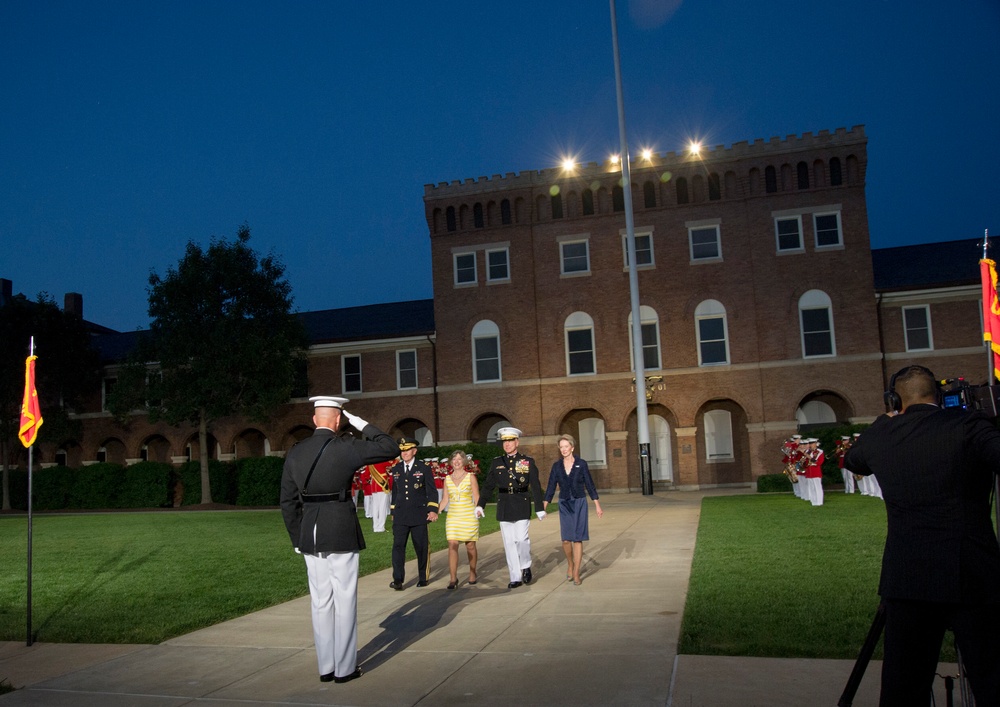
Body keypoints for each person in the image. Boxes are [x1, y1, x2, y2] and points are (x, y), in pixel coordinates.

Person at [844, 365, 1000, 706]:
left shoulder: (885, 433)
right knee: (991, 676)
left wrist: (887, 418)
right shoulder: (969, 425)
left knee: (904, 685)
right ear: (939, 396)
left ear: (895, 399)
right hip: (972, 572)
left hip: (908, 576)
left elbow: (854, 459)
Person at [279, 395, 398, 684]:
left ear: (314, 420)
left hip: (310, 532)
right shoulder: (346, 447)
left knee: (320, 602)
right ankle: (345, 669)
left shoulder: (295, 452)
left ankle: (326, 667)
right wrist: (361, 423)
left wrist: (298, 537)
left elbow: (287, 501)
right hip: (340, 528)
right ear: (337, 420)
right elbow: (390, 447)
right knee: (344, 601)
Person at [477, 426, 546, 589]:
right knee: (509, 543)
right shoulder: (496, 462)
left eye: (510, 441)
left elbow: (535, 485)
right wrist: (480, 505)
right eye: (504, 441)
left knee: (521, 539)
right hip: (504, 505)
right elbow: (488, 486)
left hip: (521, 502)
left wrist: (539, 507)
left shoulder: (527, 461)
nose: (507, 444)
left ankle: (526, 565)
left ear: (517, 441)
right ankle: (515, 576)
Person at [543, 434, 602, 585]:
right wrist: (544, 505)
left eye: (566, 446)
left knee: (577, 538)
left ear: (572, 448)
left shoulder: (581, 464)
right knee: (565, 539)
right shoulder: (556, 466)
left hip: (579, 503)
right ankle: (570, 563)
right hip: (564, 504)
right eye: (561, 447)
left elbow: (589, 484)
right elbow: (551, 486)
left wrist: (597, 504)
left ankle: (576, 572)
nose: (563, 449)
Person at [388, 437, 439, 589]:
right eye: (402, 450)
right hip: (401, 515)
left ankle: (423, 577)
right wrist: (393, 510)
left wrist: (432, 510)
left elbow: (431, 490)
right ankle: (398, 579)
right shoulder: (396, 469)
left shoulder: (423, 468)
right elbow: (395, 492)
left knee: (421, 547)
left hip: (419, 514)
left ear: (414, 451)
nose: (404, 453)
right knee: (398, 547)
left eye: (407, 450)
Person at [437, 449, 480, 589]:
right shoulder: (447, 479)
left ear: (464, 462)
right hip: (453, 516)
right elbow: (445, 500)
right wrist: (435, 511)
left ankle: (473, 573)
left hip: (468, 515)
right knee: (452, 544)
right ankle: (453, 578)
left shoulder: (471, 477)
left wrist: (478, 509)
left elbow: (477, 497)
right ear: (451, 462)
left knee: (470, 545)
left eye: (459, 459)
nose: (456, 462)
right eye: (454, 459)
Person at [365, 459, 393, 532]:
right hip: (382, 486)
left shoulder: (370, 463)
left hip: (374, 487)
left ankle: (375, 527)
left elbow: (366, 475)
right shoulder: (382, 461)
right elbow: (393, 463)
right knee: (382, 507)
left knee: (375, 508)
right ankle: (381, 527)